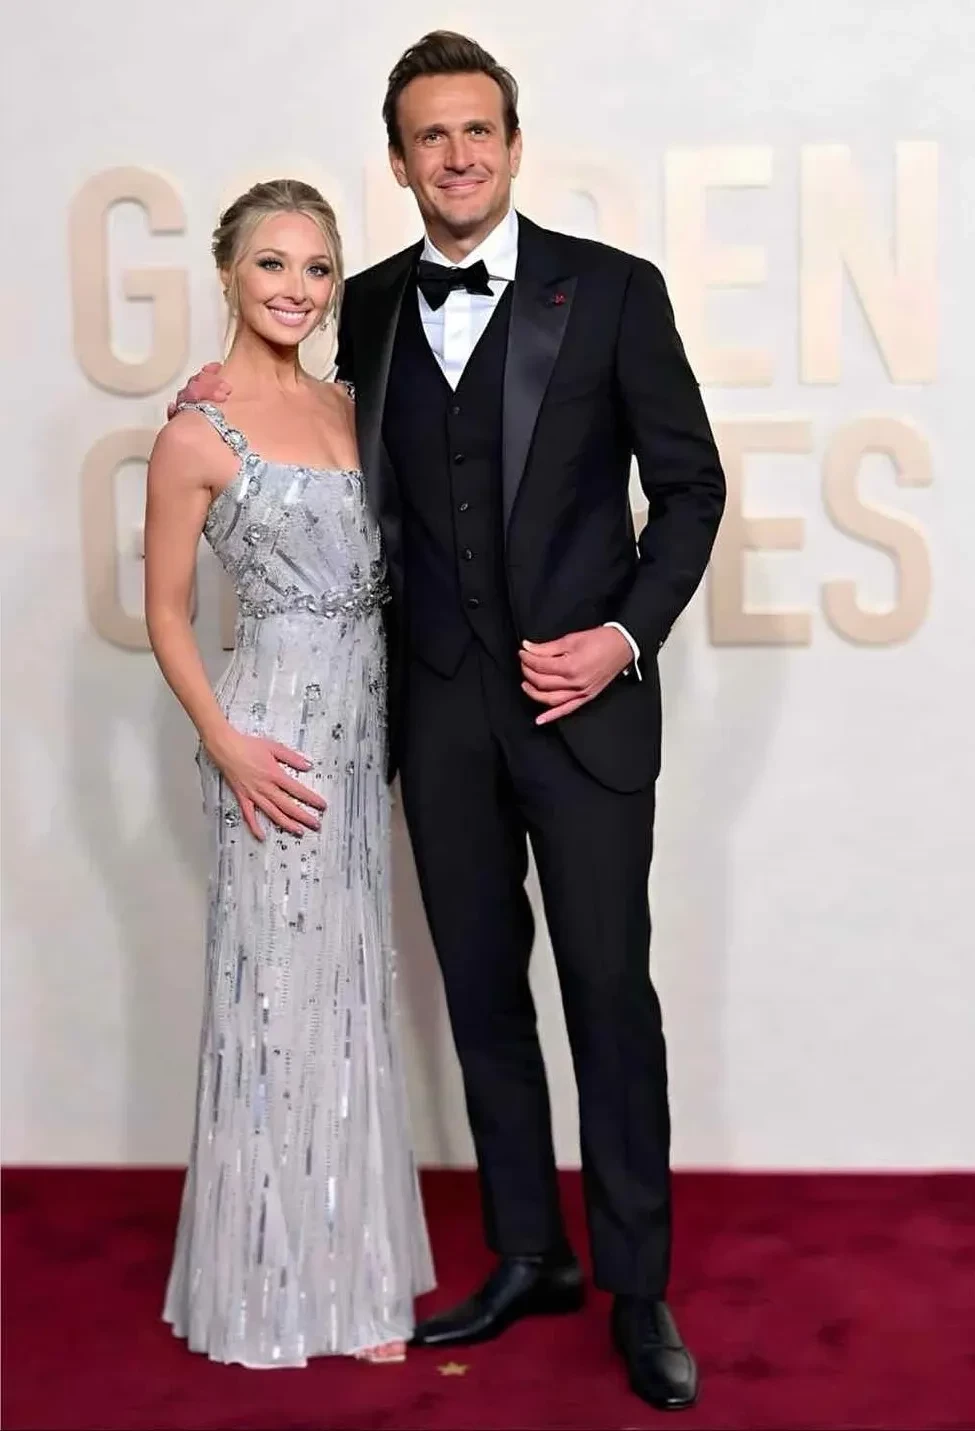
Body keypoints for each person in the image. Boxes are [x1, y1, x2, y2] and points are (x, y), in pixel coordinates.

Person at [175, 31, 726, 1410]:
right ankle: (528, 1251)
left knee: (607, 992)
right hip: (431, 717)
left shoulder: (612, 290)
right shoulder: (359, 305)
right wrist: (204, 393)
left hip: (584, 715)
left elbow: (691, 489)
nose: (458, 154)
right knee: (480, 994)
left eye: (478, 130)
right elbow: (286, 413)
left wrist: (622, 636)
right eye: (431, 135)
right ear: (399, 158)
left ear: (513, 144)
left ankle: (636, 1283)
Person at [145, 178, 434, 1369]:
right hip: (269, 739)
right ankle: (268, 1283)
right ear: (229, 271)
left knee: (348, 987)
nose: (296, 289)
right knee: (272, 998)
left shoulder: (356, 404)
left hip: (363, 737)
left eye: (317, 269)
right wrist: (223, 740)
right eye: (273, 263)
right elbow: (165, 611)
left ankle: (352, 1276)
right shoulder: (194, 433)